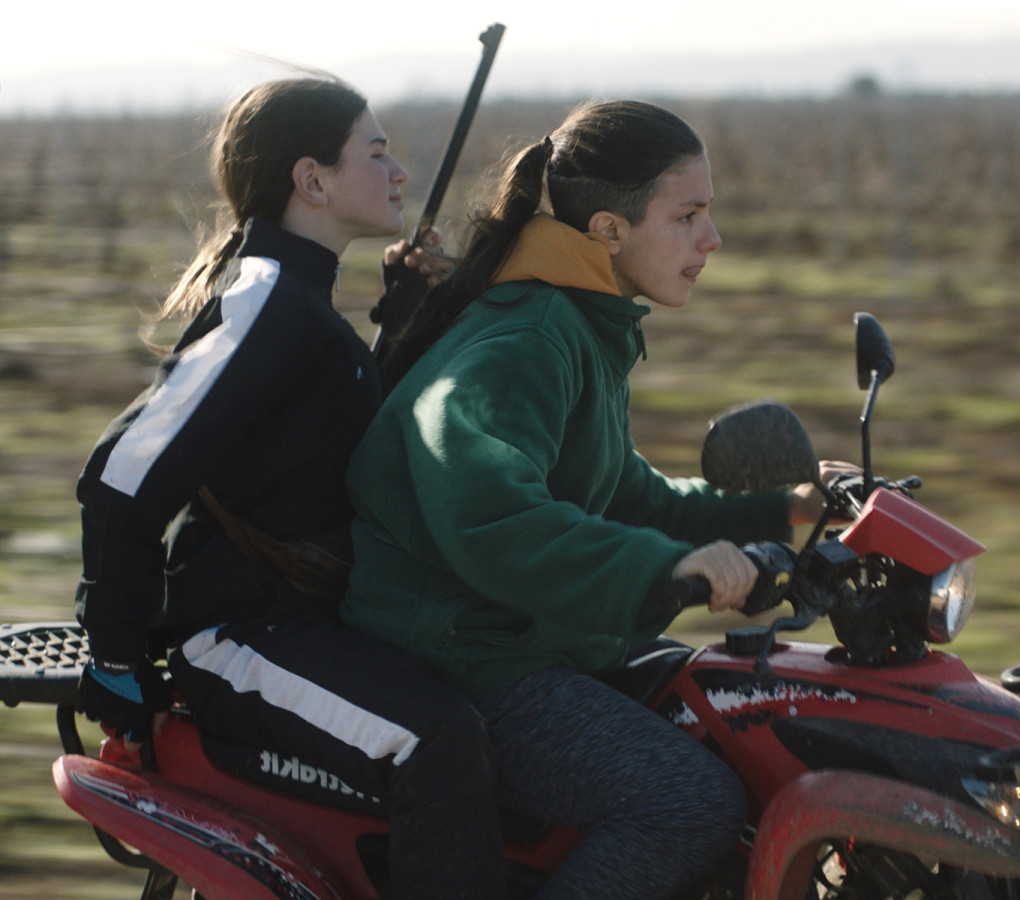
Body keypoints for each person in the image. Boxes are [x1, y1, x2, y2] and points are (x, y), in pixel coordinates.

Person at [341, 99, 843, 899]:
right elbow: (493, 516)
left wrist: (788, 507)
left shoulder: (581, 321)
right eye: (688, 216)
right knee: (688, 803)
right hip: (469, 656)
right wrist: (665, 570)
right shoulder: (527, 338)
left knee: (738, 720)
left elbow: (626, 495)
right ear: (609, 229)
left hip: (529, 635)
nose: (712, 239)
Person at [73, 77, 506, 899]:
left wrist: (407, 315)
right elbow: (122, 477)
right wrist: (117, 654)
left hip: (297, 622)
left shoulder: (300, 299)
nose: (399, 173)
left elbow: (321, 441)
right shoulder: (267, 298)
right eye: (375, 153)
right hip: (237, 636)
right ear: (312, 180)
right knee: (436, 738)